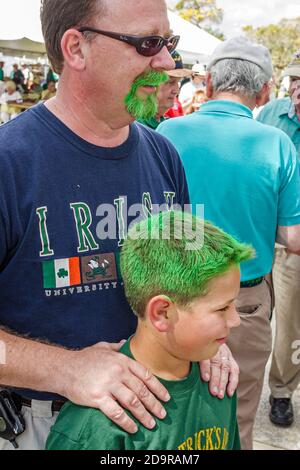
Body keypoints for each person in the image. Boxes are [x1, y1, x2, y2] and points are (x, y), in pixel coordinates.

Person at [0, 0, 238, 451]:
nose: (167, 63)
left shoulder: (163, 155)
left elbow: (190, 285)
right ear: (77, 48)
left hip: (163, 420)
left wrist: (211, 338)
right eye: (147, 43)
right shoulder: (10, 162)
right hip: (48, 428)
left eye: (169, 43)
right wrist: (64, 369)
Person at [158, 36, 300, 449]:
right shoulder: (276, 144)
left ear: (207, 83)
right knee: (233, 419)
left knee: (167, 413)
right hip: (242, 304)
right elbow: (292, 239)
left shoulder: (168, 131)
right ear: (263, 92)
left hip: (171, 295)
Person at [46, 211, 252, 450]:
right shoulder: (95, 429)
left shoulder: (219, 381)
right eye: (222, 308)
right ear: (162, 313)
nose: (236, 320)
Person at [257, 51, 300, 427]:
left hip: (295, 238)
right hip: (268, 235)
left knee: (290, 323)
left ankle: (282, 389)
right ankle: (272, 387)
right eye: (295, 83)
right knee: (263, 317)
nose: (298, 92)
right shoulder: (272, 114)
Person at [138, 51, 191, 129]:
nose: (176, 91)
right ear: (150, 83)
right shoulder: (136, 126)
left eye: (178, 82)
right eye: (170, 82)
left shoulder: (167, 125)